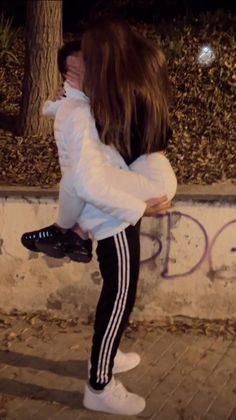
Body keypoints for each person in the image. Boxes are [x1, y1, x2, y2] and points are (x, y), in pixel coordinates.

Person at [63, 18, 175, 415]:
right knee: (120, 291)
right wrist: (78, 91)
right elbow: (94, 160)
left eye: (89, 60)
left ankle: (105, 356)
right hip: (116, 205)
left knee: (119, 289)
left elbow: (112, 143)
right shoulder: (134, 81)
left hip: (124, 195)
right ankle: (100, 384)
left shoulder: (123, 94)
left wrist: (83, 93)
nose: (79, 68)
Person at [21, 39, 176, 267]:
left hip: (154, 182)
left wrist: (139, 209)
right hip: (139, 179)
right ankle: (77, 236)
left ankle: (66, 232)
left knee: (78, 180)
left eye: (81, 69)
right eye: (69, 72)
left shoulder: (123, 97)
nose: (74, 76)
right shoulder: (93, 103)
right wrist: (60, 99)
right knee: (82, 178)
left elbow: (153, 137)